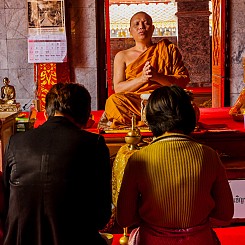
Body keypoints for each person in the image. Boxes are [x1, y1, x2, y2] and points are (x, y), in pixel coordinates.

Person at [116, 85, 234, 245]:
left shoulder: (138, 159)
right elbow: (225, 215)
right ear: (190, 116)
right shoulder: (209, 155)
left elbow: (124, 218)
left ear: (150, 119)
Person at [2, 83, 112, 245]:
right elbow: (101, 216)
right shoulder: (93, 144)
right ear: (86, 116)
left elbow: (7, 202)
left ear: (46, 114)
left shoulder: (15, 143)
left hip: (20, 238)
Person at [100, 11, 190, 129]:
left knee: (188, 106)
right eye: (136, 24)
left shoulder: (168, 49)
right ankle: (155, 121)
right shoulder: (122, 56)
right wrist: (142, 79)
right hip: (135, 103)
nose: (141, 27)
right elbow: (118, 88)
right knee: (113, 102)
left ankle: (139, 122)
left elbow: (183, 82)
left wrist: (157, 76)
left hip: (163, 101)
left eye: (146, 23)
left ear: (152, 28)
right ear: (130, 31)